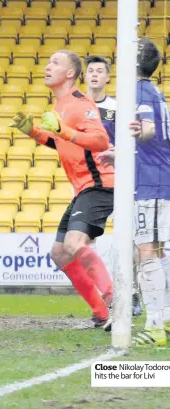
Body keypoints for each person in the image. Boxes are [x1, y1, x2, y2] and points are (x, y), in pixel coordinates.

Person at [10, 50, 114, 329]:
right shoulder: (60, 107)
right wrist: (33, 131)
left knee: (74, 244)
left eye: (55, 62)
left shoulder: (80, 102)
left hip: (99, 184)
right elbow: (63, 144)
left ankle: (116, 299)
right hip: (83, 188)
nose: (47, 66)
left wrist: (65, 131)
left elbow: (101, 141)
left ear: (70, 73)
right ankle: (102, 312)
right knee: (59, 252)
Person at [99, 40, 170, 346]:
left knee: (147, 251)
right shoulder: (154, 91)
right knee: (159, 252)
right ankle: (163, 319)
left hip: (150, 184)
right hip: (158, 178)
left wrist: (138, 133)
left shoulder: (140, 90)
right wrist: (125, 153)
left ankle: (155, 325)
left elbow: (148, 129)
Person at [85, 55, 143, 318]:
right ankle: (105, 299)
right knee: (85, 243)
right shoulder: (76, 106)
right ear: (84, 76)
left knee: (124, 241)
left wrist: (116, 152)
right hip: (86, 181)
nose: (95, 74)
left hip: (118, 180)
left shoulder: (117, 108)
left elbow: (131, 142)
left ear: (108, 77)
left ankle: (129, 294)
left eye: (100, 71)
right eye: (90, 71)